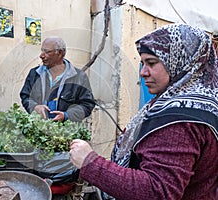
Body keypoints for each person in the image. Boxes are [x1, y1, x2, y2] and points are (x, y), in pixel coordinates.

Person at [69, 24, 218, 200]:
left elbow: (157, 191)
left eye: (152, 63)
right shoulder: (205, 101)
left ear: (181, 60)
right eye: (142, 63)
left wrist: (91, 163)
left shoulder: (179, 119)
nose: (142, 72)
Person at [20, 36, 95, 122]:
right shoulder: (35, 74)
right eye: (42, 51)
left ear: (60, 53)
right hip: (38, 130)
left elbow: (87, 104)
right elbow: (25, 96)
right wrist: (35, 107)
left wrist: (66, 115)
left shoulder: (79, 77)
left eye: (47, 52)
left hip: (66, 133)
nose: (41, 55)